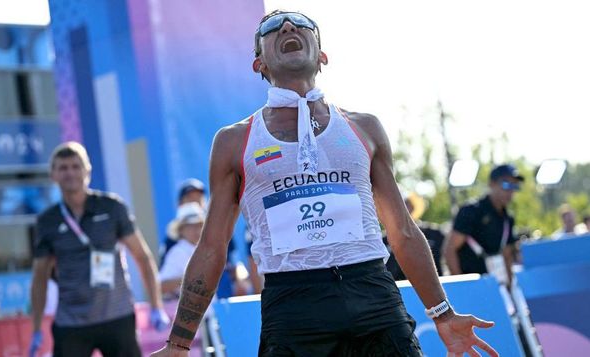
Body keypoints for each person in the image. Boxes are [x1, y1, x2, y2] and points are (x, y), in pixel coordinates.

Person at [153, 10, 497, 357]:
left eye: (301, 24)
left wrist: (443, 313)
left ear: (322, 56)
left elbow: (402, 231)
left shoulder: (366, 127)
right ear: (259, 65)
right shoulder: (234, 141)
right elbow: (212, 246)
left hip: (373, 296)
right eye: (271, 27)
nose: (288, 26)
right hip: (293, 307)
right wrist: (179, 345)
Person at [29, 142, 169, 357]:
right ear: (53, 175)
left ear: (88, 171)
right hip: (71, 322)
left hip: (117, 315)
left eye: (76, 166)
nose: (70, 173)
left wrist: (156, 305)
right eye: (63, 168)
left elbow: (142, 257)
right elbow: (40, 277)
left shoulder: (112, 207)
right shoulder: (47, 220)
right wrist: (36, 327)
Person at [445, 164, 523, 285]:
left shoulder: (508, 218)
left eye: (515, 186)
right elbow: (450, 249)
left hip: (496, 286)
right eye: (506, 184)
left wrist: (509, 286)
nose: (510, 191)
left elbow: (507, 254)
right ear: (491, 184)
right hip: (472, 286)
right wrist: (461, 286)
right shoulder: (471, 211)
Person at [385, 193, 446, 280]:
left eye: (406, 204)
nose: (404, 208)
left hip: (432, 285)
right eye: (397, 204)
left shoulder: (435, 234)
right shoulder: (384, 239)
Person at [159, 203, 206, 298]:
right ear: (181, 230)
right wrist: (189, 280)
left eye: (200, 225)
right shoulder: (177, 252)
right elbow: (161, 286)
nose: (197, 230)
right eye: (191, 226)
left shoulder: (204, 249)